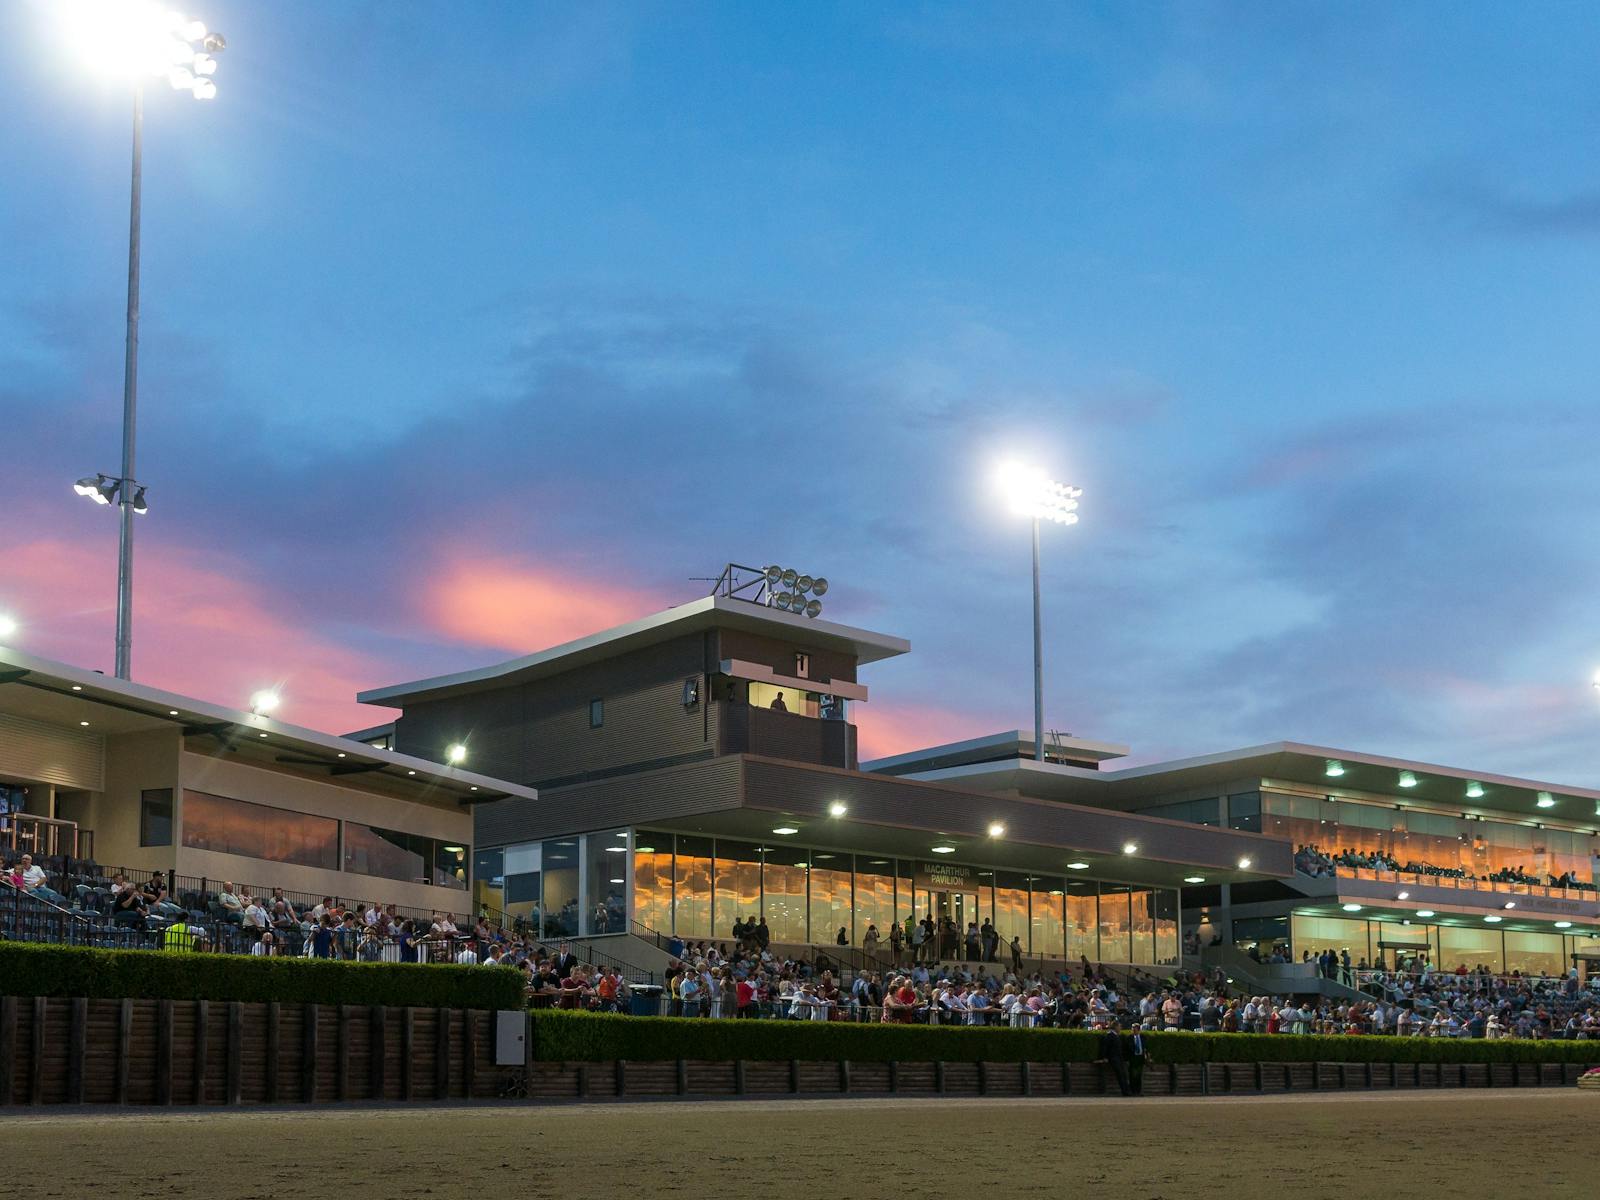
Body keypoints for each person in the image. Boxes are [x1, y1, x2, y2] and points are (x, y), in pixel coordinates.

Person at [1098, 1024, 1132, 1096]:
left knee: (1124, 1075)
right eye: (1119, 1026)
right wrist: (1104, 1057)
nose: (1120, 1028)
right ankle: (1125, 1091)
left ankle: (1127, 1091)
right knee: (1120, 1075)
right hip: (1114, 1058)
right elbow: (1105, 1047)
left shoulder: (1116, 1035)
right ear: (1115, 1027)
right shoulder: (1109, 1035)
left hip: (1119, 1058)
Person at [1121, 1026, 1147, 1095]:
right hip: (1132, 1058)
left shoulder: (1143, 1037)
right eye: (1132, 1030)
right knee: (1132, 1075)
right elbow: (1126, 1049)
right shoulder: (1129, 1038)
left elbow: (1145, 1047)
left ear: (1138, 1030)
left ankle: (1139, 1091)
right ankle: (1133, 1091)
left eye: (1135, 1030)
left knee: (1139, 1075)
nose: (1133, 1032)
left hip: (1140, 1058)